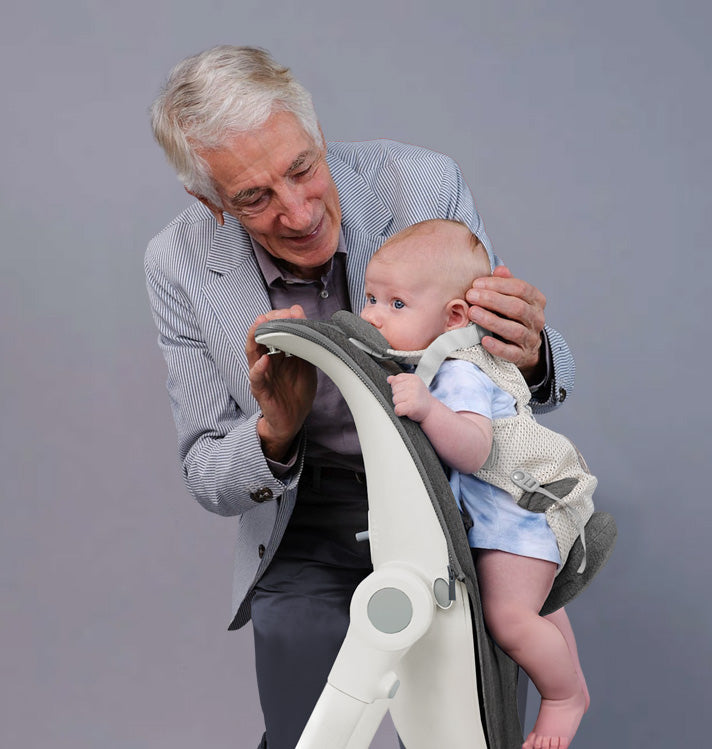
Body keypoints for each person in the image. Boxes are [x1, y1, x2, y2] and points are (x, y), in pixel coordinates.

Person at [145, 45, 576, 749]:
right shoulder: (177, 263)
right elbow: (206, 473)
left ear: (317, 133)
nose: (297, 213)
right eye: (253, 198)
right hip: (307, 520)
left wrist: (528, 351)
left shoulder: (420, 184)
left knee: (464, 727)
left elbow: (502, 374)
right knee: (309, 728)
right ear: (210, 200)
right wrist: (274, 430)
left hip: (453, 501)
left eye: (302, 169)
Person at [360, 218, 594, 749]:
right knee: (535, 605)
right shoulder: (442, 364)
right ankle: (569, 680)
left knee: (508, 618)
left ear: (454, 318)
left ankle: (564, 696)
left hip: (521, 516)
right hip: (515, 516)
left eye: (396, 304)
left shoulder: (460, 371)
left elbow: (474, 449)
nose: (373, 315)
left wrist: (427, 409)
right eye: (371, 298)